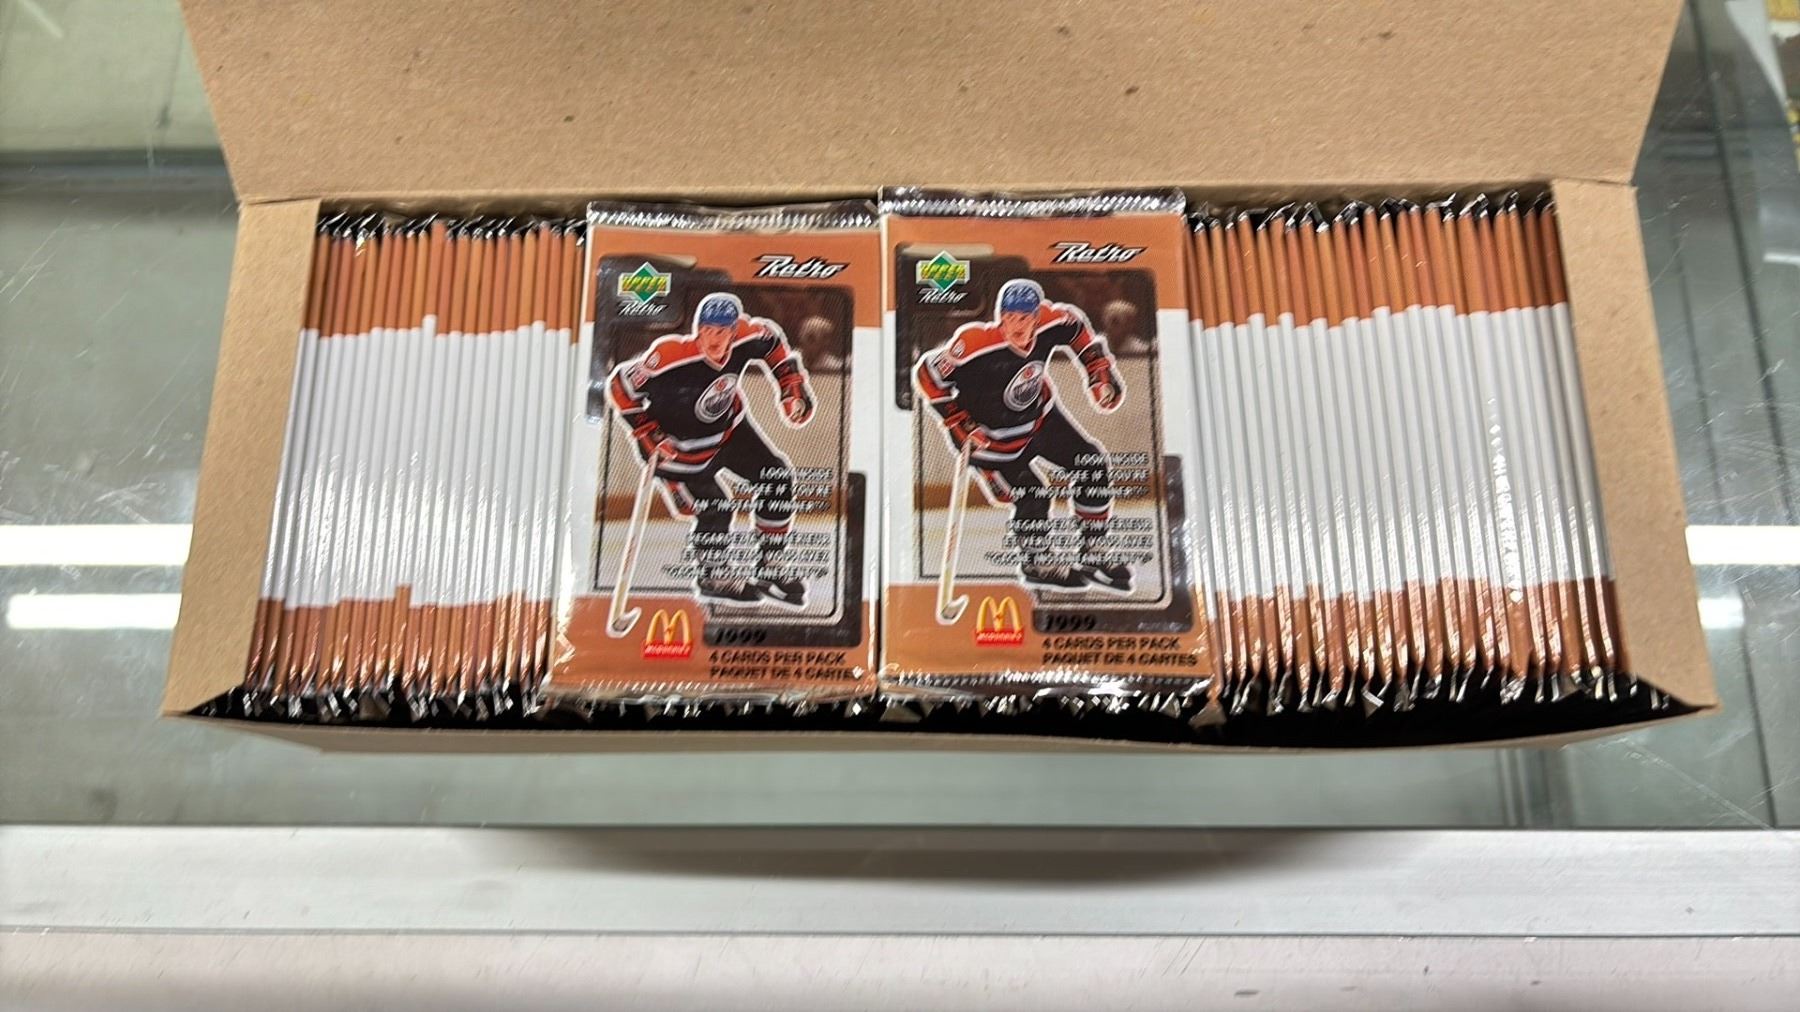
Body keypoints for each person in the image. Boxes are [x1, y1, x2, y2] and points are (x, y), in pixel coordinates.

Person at [913, 278, 1133, 593]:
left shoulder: (1053, 321)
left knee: (1091, 463)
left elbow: (1079, 332)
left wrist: (1098, 372)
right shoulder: (974, 343)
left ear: (1036, 316)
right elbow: (928, 376)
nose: (1017, 326)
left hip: (1040, 420)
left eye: (1025, 317)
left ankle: (1093, 550)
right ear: (1000, 317)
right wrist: (957, 420)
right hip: (991, 442)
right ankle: (1036, 562)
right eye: (1010, 318)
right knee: (1033, 494)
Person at [605, 292, 815, 607]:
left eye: (722, 331)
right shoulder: (669, 356)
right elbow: (620, 387)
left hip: (728, 431)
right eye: (707, 331)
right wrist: (646, 431)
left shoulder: (748, 335)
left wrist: (790, 387)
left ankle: (770, 564)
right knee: (716, 507)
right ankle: (713, 575)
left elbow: (773, 344)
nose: (714, 339)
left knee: (776, 478)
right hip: (678, 451)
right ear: (697, 329)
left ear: (734, 330)